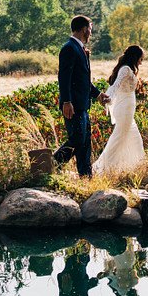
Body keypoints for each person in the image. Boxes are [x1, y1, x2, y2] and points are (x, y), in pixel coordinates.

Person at [54, 15, 108, 177]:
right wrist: (66, 101)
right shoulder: (69, 48)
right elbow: (64, 78)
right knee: (77, 139)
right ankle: (52, 163)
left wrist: (98, 95)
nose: (91, 32)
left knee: (84, 143)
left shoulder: (80, 49)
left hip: (83, 105)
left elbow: (83, 80)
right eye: (90, 29)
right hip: (73, 105)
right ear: (84, 29)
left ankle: (86, 177)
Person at [92, 44, 146, 175]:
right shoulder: (126, 69)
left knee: (134, 138)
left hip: (128, 109)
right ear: (135, 57)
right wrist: (108, 98)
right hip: (124, 109)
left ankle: (133, 169)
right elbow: (115, 85)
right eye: (141, 58)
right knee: (119, 137)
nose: (141, 62)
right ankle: (101, 168)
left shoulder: (130, 69)